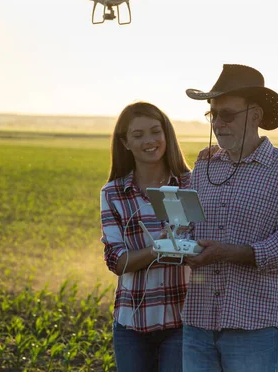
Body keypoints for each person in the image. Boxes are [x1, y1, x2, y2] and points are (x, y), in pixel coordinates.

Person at [182, 64, 278, 371]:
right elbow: (187, 225)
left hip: (254, 323)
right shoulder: (204, 165)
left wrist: (228, 252)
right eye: (212, 114)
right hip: (199, 318)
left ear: (255, 116)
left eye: (227, 114)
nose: (217, 123)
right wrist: (181, 246)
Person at [100, 101, 192, 372]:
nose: (149, 141)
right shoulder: (113, 193)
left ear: (166, 134)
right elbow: (117, 261)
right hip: (131, 322)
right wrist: (159, 249)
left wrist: (170, 249)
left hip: (183, 321)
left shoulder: (190, 185)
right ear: (125, 143)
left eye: (155, 132)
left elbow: (201, 245)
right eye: (138, 135)